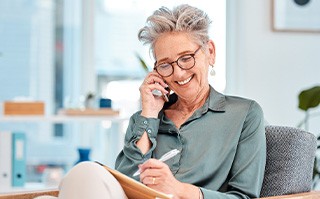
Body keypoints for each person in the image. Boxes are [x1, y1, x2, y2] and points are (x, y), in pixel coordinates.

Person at [54, 4, 266, 199]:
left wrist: (179, 189)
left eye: (186, 58)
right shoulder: (145, 119)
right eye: (165, 65)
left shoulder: (244, 114)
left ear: (209, 52)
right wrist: (149, 115)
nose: (178, 73)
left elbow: (244, 197)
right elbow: (125, 183)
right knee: (78, 177)